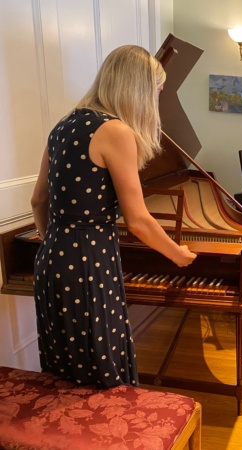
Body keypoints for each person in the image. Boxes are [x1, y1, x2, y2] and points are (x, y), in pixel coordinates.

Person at [30, 45, 197, 389]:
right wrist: (178, 254)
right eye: (157, 89)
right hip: (89, 261)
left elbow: (37, 201)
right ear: (137, 88)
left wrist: (56, 246)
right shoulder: (116, 131)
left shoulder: (64, 124)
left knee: (63, 372)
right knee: (100, 368)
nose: (157, 97)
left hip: (52, 260)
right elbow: (137, 220)